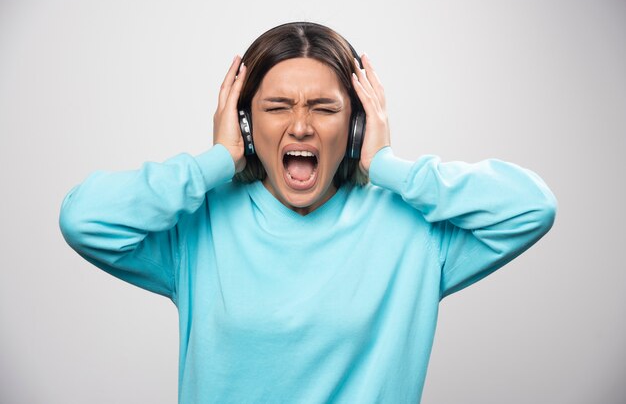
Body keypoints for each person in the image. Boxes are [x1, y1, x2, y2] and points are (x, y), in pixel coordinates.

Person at [58, 21, 557, 403]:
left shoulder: (414, 233)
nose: (300, 126)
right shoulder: (198, 228)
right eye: (277, 107)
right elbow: (85, 219)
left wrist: (388, 167)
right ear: (246, 125)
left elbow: (530, 207)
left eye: (324, 107)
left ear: (356, 126)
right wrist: (216, 161)